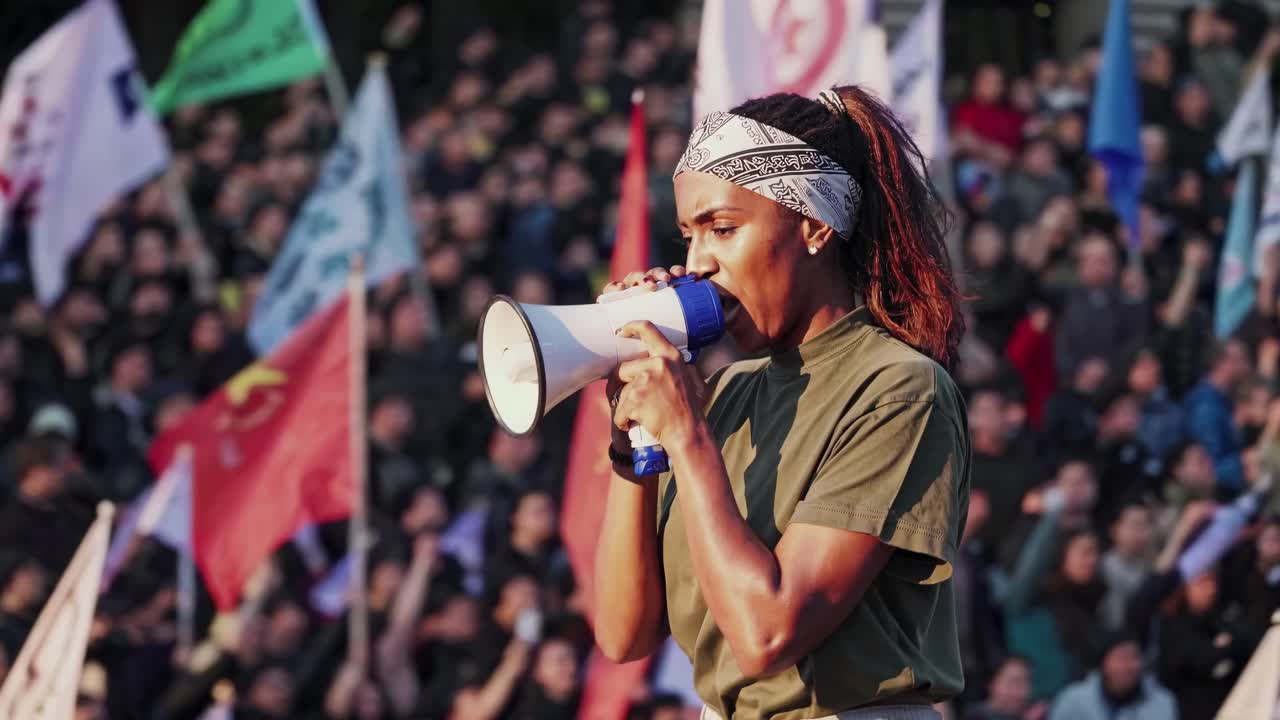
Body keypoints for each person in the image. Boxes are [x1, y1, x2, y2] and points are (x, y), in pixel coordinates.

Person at [592, 87, 969, 719]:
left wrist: (686, 434)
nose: (696, 264)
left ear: (816, 225)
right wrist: (636, 435)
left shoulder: (898, 388)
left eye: (723, 229)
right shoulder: (732, 389)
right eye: (688, 235)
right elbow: (623, 634)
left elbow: (768, 634)